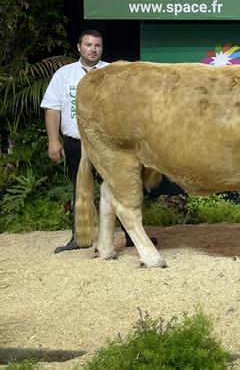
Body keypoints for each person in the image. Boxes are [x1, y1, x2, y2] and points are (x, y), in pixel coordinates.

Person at [41, 30, 157, 253]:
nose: (93, 49)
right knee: (79, 188)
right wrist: (53, 141)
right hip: (76, 141)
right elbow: (52, 108)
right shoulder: (64, 74)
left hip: (111, 145)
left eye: (97, 45)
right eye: (88, 45)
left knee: (121, 187)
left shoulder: (113, 73)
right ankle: (79, 237)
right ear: (79, 47)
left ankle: (131, 235)